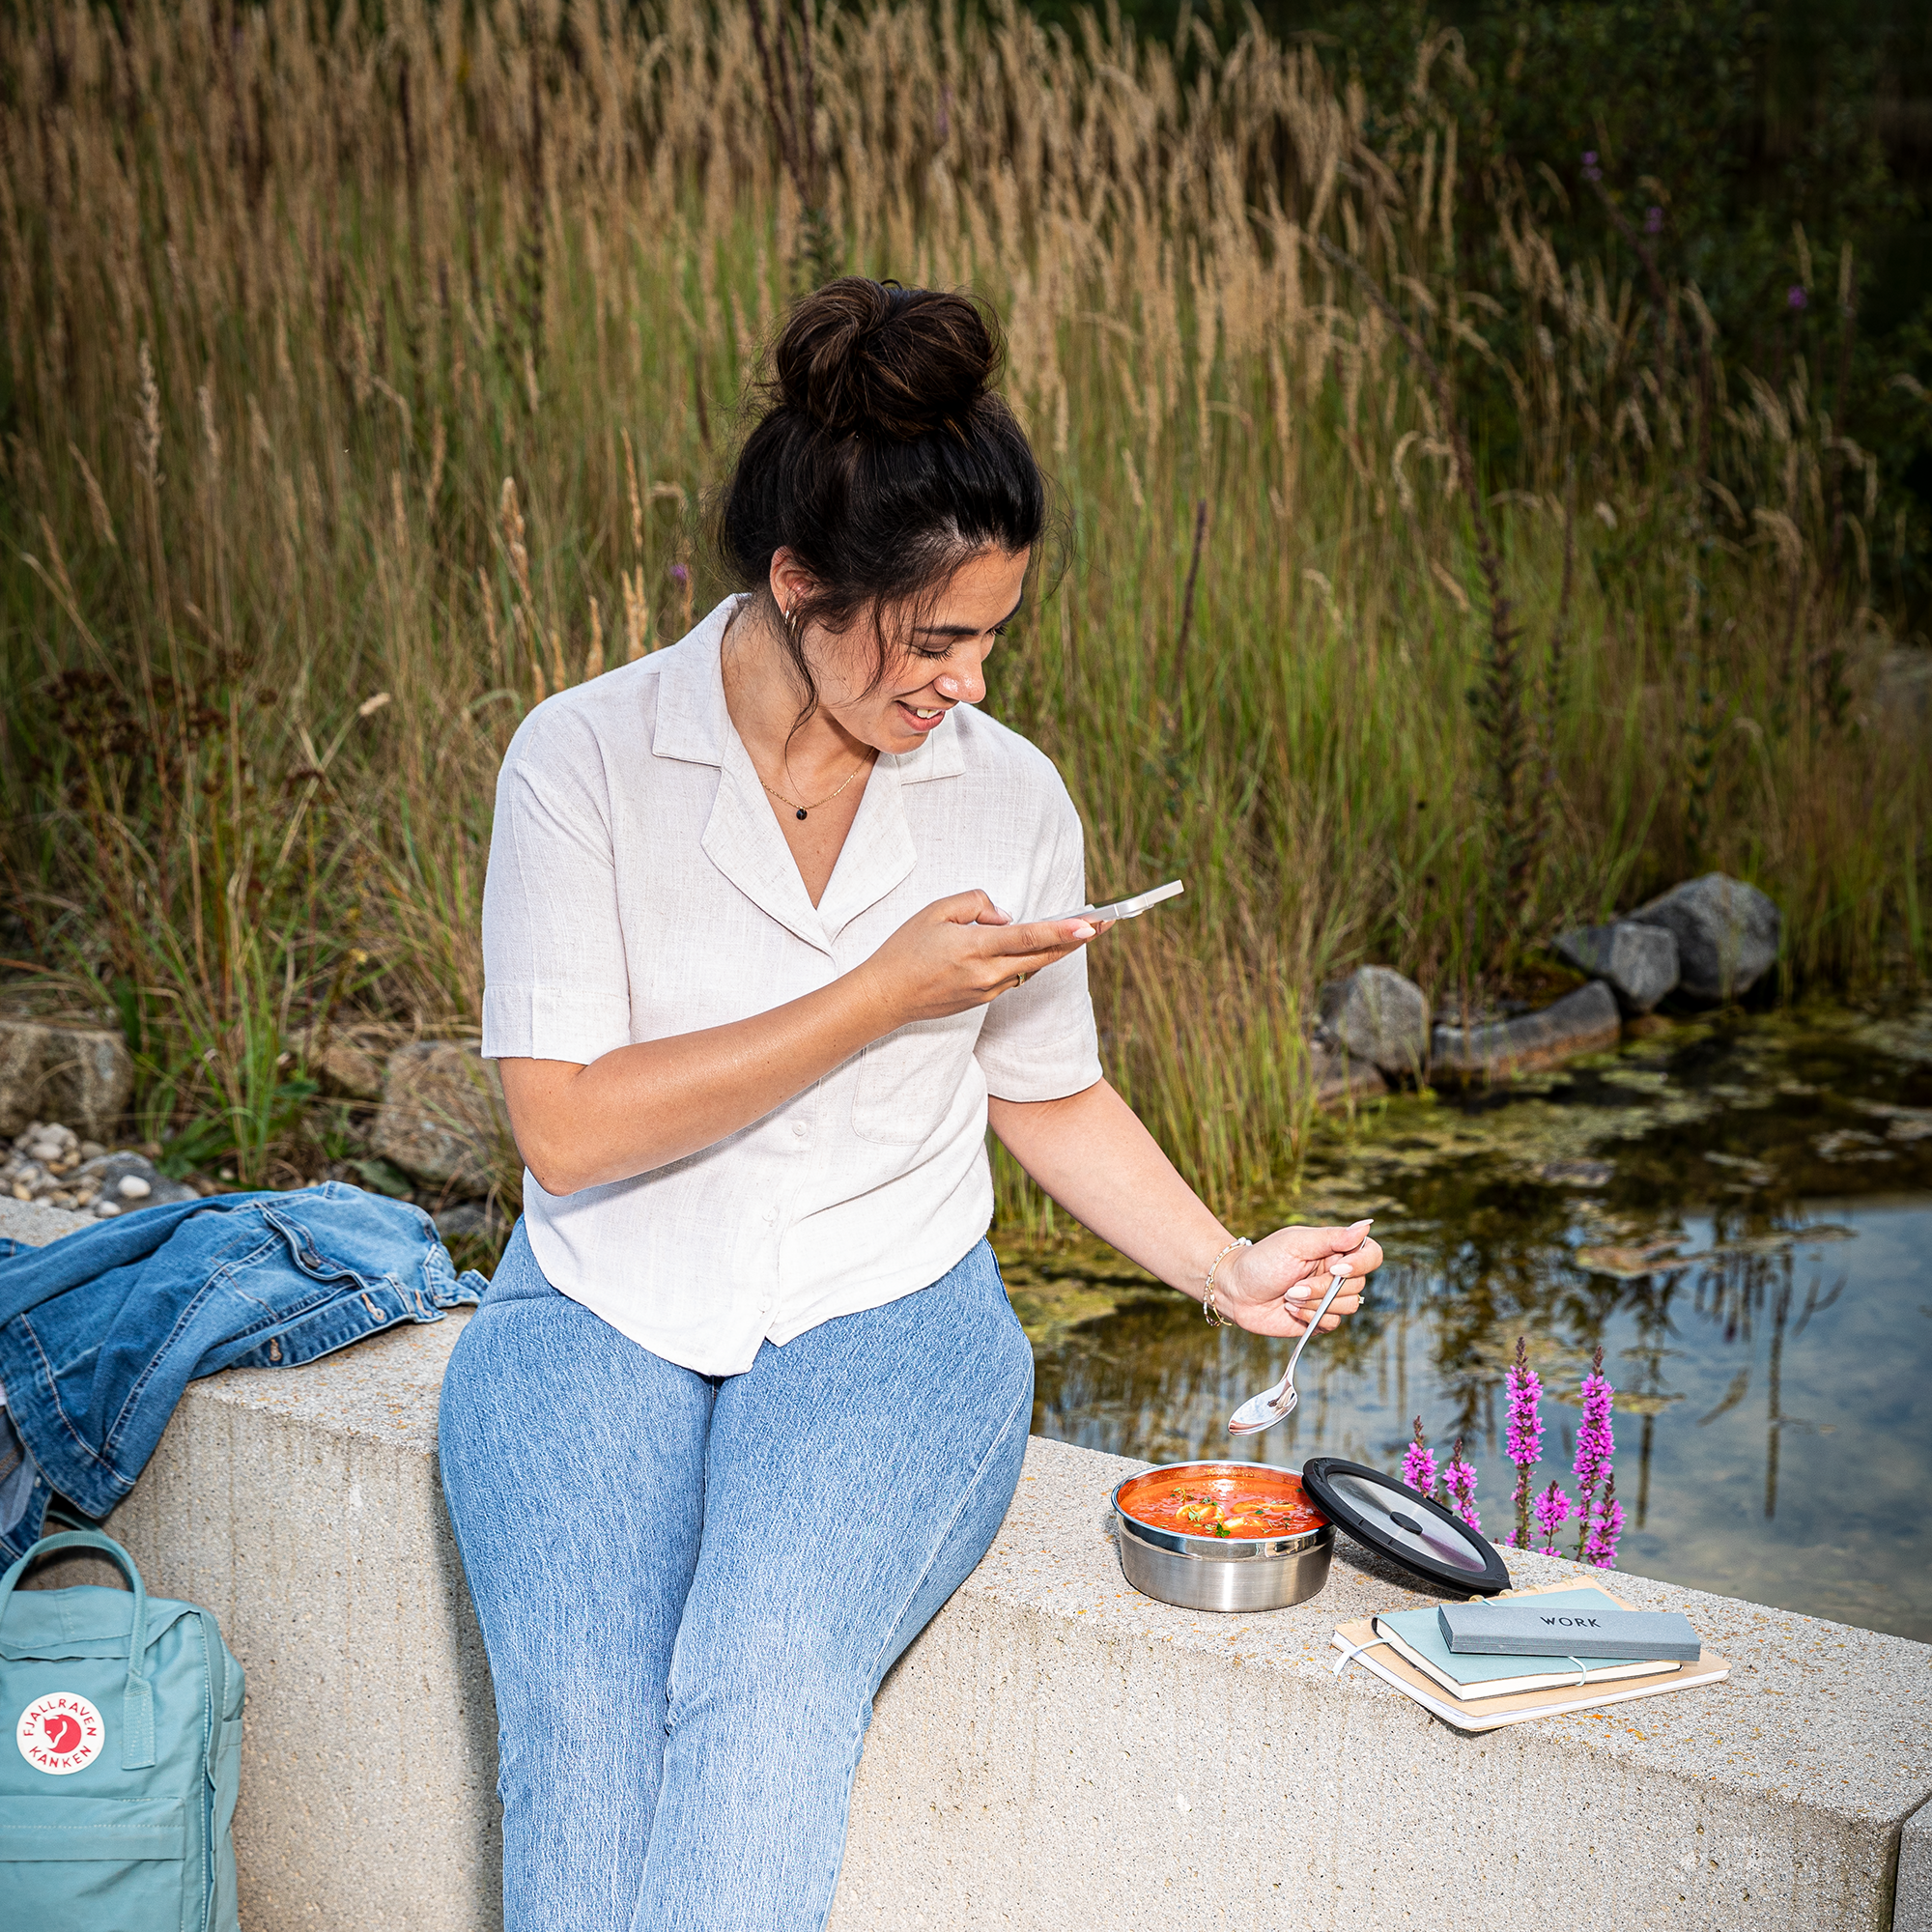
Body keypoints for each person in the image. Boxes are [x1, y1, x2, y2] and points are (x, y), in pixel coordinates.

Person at [438, 277, 1383, 1932]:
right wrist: (877, 994)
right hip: (599, 1301)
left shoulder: (1010, 799)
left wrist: (1225, 1267)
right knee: (582, 1729)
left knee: (765, 1673)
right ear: (802, 583)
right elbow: (567, 1128)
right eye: (934, 638)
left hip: (891, 1315)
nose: (970, 682)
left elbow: (1052, 1090)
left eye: (994, 635)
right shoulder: (578, 759)